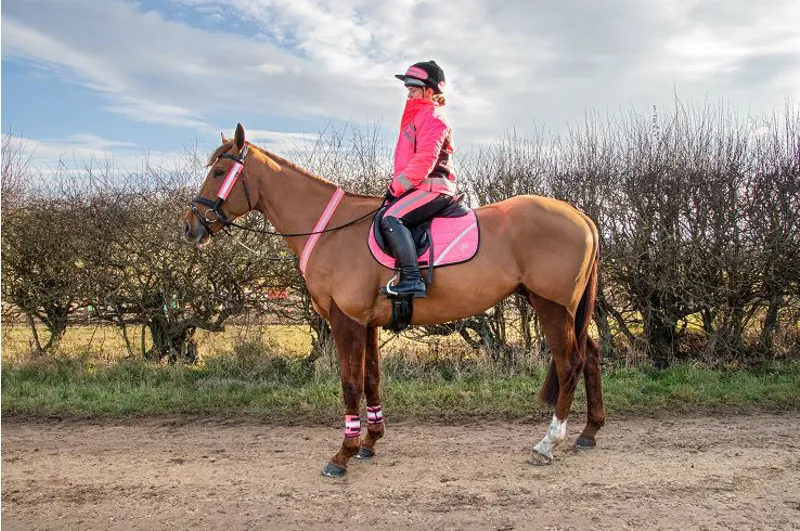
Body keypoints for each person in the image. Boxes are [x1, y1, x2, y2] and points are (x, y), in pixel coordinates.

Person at [381, 60, 458, 298]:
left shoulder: (433, 117)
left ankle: (413, 279)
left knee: (391, 217)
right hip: (420, 186)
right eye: (408, 90)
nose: (409, 94)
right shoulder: (418, 117)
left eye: (412, 90)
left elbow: (425, 160)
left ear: (429, 91)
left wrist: (396, 188)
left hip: (434, 187)